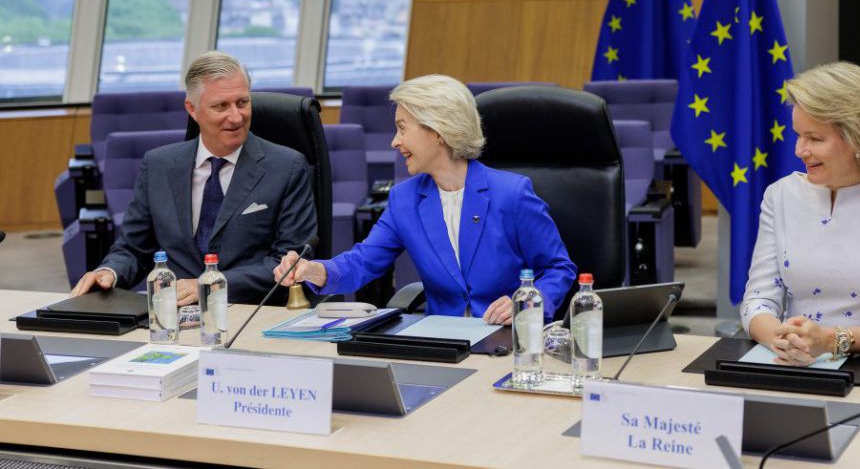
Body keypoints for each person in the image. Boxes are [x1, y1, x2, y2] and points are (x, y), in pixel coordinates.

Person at [275, 74, 577, 324]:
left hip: (511, 342)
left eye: (402, 128)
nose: (395, 141)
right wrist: (314, 270)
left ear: (437, 131)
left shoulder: (511, 194)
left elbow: (558, 269)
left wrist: (527, 304)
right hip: (442, 345)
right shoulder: (404, 199)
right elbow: (363, 262)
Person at [70, 51, 317, 304]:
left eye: (242, 103)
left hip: (250, 310)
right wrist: (108, 272)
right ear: (192, 109)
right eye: (220, 106)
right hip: (173, 314)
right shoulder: (158, 165)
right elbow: (134, 248)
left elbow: (289, 262)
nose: (236, 116)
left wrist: (209, 286)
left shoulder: (287, 167)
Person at [740, 61, 860, 366]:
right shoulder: (779, 196)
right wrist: (786, 341)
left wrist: (831, 341)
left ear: (858, 137)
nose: (799, 150)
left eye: (815, 138)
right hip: (790, 364)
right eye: (798, 135)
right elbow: (757, 302)